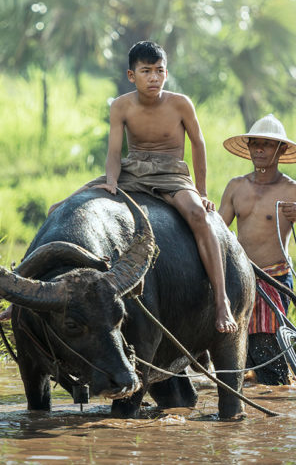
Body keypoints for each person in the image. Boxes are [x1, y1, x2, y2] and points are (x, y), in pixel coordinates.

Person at [35, 40, 237, 333]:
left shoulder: (180, 103)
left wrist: (202, 192)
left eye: (159, 71)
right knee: (59, 207)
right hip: (133, 170)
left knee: (198, 216)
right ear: (132, 75)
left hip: (171, 173)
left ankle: (222, 302)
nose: (154, 78)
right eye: (146, 71)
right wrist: (112, 182)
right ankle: (26, 297)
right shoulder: (121, 106)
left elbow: (198, 144)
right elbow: (115, 152)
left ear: (166, 73)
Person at [217, 114, 296, 384]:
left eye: (266, 144)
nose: (259, 150)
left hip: (273, 280)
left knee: (266, 348)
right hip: (240, 279)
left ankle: (277, 390)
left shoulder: (293, 191)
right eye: (255, 144)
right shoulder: (236, 187)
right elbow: (218, 232)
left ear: (282, 150)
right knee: (236, 351)